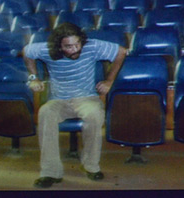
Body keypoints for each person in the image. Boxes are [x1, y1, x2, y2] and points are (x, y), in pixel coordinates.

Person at [23, 22, 127, 188]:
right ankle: (50, 172)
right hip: (58, 99)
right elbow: (27, 52)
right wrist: (33, 77)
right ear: (59, 45)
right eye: (69, 46)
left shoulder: (91, 46)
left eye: (77, 44)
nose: (75, 49)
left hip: (87, 98)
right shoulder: (46, 49)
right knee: (45, 112)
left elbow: (121, 52)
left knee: (94, 114)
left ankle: (91, 166)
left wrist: (109, 80)